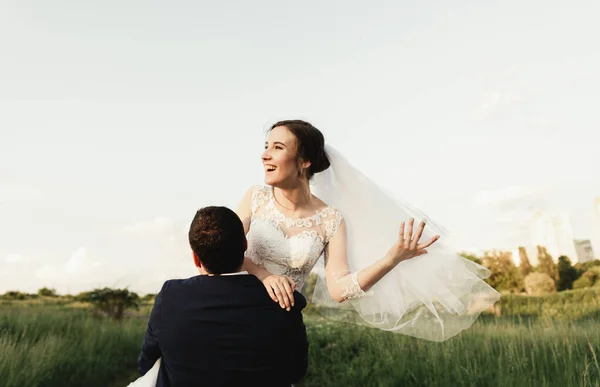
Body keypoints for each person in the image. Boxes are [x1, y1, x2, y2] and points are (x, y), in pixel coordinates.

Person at [236, 119, 500, 342]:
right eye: (266, 146)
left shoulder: (331, 220)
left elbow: (339, 290)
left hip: (280, 328)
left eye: (278, 147)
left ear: (304, 161)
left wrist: (391, 260)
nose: (265, 154)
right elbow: (218, 251)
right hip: (236, 311)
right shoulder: (255, 198)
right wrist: (263, 275)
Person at [130, 206, 309, 387]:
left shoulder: (171, 295)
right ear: (245, 245)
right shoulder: (284, 301)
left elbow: (147, 362)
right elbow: (296, 371)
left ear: (195, 258)